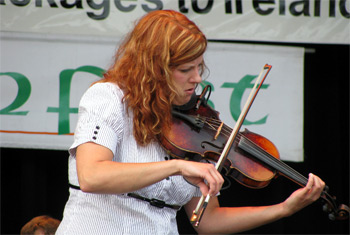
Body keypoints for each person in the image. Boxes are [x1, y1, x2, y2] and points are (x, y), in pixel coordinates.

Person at [56, 10, 325, 235]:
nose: (197, 78)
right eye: (185, 70)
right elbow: (92, 176)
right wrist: (175, 166)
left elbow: (207, 221)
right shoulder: (109, 97)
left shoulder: (197, 126)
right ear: (154, 69)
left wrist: (283, 209)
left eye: (199, 67)